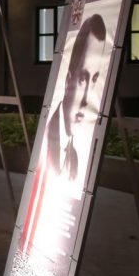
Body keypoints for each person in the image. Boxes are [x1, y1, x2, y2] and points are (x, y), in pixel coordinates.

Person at [42, 13, 107, 184]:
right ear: (68, 79)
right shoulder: (47, 141)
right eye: (83, 79)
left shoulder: (74, 155)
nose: (86, 99)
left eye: (94, 79)